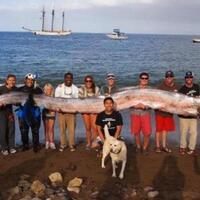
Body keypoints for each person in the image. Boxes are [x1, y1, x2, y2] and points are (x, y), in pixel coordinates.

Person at [17, 73, 43, 152]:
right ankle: (25, 145)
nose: (30, 81)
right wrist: (19, 103)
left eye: (32, 80)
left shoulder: (38, 89)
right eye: (28, 79)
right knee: (24, 130)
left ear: (34, 81)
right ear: (25, 80)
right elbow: (15, 102)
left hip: (35, 113)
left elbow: (42, 100)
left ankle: (36, 145)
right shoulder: (20, 89)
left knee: (35, 130)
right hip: (22, 113)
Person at [155, 71, 179, 153]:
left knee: (165, 130)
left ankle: (164, 146)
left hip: (169, 112)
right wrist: (158, 107)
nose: (169, 78)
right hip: (160, 112)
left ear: (173, 78)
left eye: (170, 77)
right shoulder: (160, 86)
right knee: (159, 130)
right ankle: (158, 146)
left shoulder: (177, 86)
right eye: (167, 77)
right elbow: (155, 98)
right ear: (165, 78)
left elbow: (180, 99)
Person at [55, 72, 79, 152]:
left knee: (71, 130)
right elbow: (56, 100)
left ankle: (72, 144)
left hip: (72, 113)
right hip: (62, 112)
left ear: (72, 79)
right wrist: (58, 108)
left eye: (70, 78)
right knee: (62, 129)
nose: (69, 79)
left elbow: (77, 100)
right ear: (64, 79)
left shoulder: (75, 88)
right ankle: (63, 144)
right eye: (67, 78)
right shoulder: (59, 87)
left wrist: (76, 110)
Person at [130, 72, 152, 154]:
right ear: (140, 79)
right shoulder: (134, 90)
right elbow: (128, 100)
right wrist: (135, 105)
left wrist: (146, 107)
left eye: (146, 78)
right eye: (142, 78)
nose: (144, 80)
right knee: (136, 132)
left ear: (148, 79)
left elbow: (154, 101)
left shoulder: (151, 90)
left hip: (145, 113)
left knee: (148, 132)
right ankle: (138, 147)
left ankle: (145, 147)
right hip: (134, 112)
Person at [178, 71, 200, 155]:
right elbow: (178, 103)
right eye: (187, 77)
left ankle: (192, 148)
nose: (189, 79)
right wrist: (182, 112)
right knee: (183, 132)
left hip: (194, 115)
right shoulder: (182, 89)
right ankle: (182, 147)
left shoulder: (197, 87)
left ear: (192, 78)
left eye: (190, 77)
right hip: (184, 115)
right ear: (185, 79)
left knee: (193, 132)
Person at [79, 75, 100, 150]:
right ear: (85, 82)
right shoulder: (81, 89)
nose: (88, 82)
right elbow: (80, 99)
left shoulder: (96, 88)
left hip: (94, 110)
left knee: (94, 128)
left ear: (92, 81)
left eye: (90, 81)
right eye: (87, 81)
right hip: (85, 110)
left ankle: (95, 142)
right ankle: (88, 143)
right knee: (87, 128)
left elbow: (98, 99)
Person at [0, 74, 17, 156]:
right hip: (1, 112)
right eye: (10, 80)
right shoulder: (1, 88)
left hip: (9, 111)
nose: (12, 82)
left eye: (13, 80)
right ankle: (4, 148)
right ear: (6, 80)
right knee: (3, 131)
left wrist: (16, 103)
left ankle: (12, 147)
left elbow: (17, 103)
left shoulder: (15, 89)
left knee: (11, 129)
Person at [42, 83, 56, 150]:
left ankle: (52, 142)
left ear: (52, 90)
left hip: (52, 114)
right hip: (45, 113)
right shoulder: (42, 97)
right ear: (44, 90)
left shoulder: (53, 97)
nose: (48, 91)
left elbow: (55, 106)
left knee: (51, 129)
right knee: (46, 129)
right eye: (47, 89)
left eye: (50, 89)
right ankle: (47, 142)